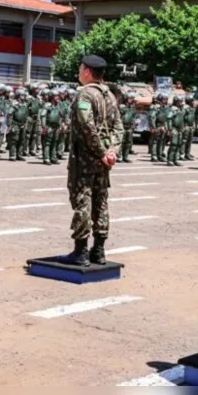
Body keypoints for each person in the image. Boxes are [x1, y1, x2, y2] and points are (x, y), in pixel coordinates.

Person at [66, 55, 123, 265]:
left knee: (83, 200)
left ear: (88, 71)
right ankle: (98, 250)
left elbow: (87, 127)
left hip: (85, 160)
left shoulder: (86, 95)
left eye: (81, 68)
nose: (79, 72)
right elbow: (119, 127)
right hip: (103, 162)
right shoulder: (109, 95)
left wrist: (101, 152)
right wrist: (112, 151)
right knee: (101, 202)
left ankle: (81, 251)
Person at [7, 87, 29, 161]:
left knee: (22, 140)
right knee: (14, 140)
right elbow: (10, 114)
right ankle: (12, 155)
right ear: (18, 95)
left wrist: (25, 123)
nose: (23, 97)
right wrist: (10, 125)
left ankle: (19, 155)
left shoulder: (25, 104)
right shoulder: (14, 104)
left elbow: (26, 114)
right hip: (15, 124)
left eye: (24, 95)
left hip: (23, 124)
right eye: (22, 95)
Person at [166, 94, 186, 166]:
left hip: (180, 129)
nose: (181, 102)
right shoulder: (173, 109)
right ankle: (170, 160)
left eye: (181, 101)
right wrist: (169, 129)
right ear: (176, 101)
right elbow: (169, 119)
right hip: (174, 128)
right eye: (179, 101)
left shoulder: (181, 109)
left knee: (178, 144)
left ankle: (175, 159)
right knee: (173, 144)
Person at [120, 91, 137, 163]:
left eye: (132, 98)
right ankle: (119, 156)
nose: (131, 100)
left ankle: (125, 156)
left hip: (129, 127)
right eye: (130, 98)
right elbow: (119, 116)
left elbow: (133, 116)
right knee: (121, 142)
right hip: (122, 126)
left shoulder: (132, 107)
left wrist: (133, 124)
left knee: (128, 142)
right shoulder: (122, 106)